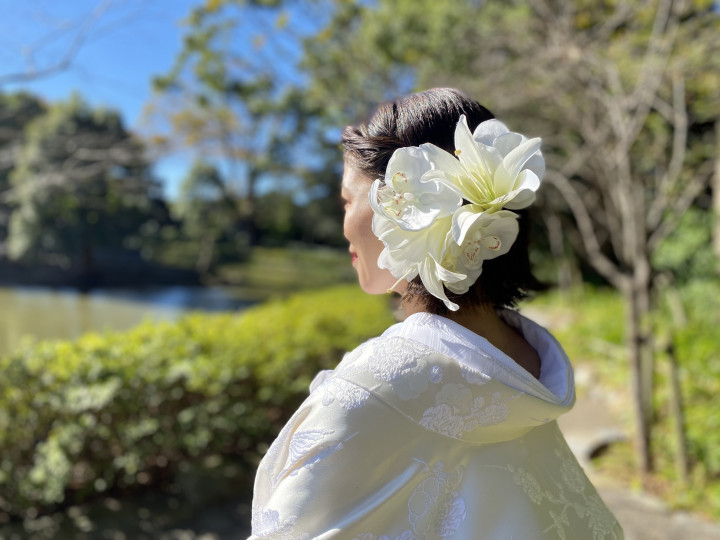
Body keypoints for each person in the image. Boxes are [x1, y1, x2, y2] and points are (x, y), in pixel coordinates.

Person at [248, 88, 623, 539]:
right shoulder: (526, 361)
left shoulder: (373, 388)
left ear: (404, 208)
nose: (343, 222)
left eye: (348, 201)